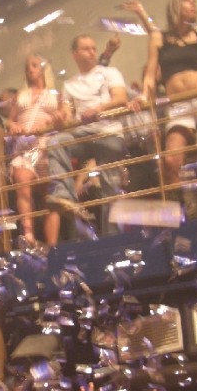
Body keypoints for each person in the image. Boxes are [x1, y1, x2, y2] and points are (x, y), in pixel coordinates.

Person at [140, 0, 197, 217]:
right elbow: (150, 76)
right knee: (171, 159)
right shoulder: (158, 38)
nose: (193, 5)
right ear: (175, 7)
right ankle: (181, 213)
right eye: (187, 1)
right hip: (179, 105)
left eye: (194, 2)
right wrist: (143, 95)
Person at [45, 33, 129, 241]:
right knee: (56, 141)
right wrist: (59, 117)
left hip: (109, 131)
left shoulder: (110, 72)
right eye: (86, 48)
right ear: (75, 54)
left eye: (93, 48)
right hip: (83, 133)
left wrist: (98, 109)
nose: (92, 52)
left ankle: (113, 239)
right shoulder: (69, 84)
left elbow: (121, 98)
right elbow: (66, 113)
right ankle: (64, 197)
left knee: (110, 187)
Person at [4, 53, 64, 247]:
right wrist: (13, 126)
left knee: (49, 197)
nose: (30, 69)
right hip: (24, 148)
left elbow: (63, 117)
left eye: (35, 65)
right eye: (27, 66)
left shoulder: (55, 94)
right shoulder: (20, 95)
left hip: (46, 147)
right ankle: (28, 234)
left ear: (44, 68)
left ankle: (52, 245)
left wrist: (52, 121)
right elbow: (10, 120)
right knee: (21, 179)